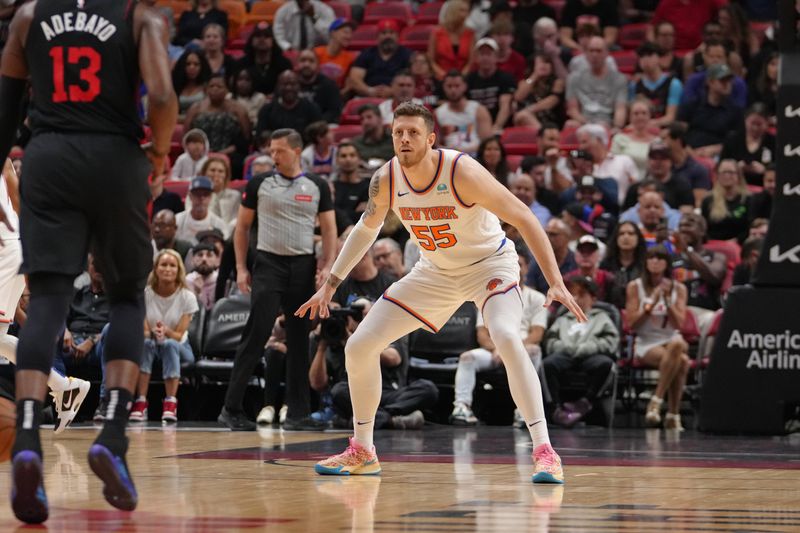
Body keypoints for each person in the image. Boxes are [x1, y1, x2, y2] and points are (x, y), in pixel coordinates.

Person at [297, 102, 587, 483]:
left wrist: (555, 280)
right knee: (359, 346)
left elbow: (524, 216)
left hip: (489, 266)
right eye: (398, 132)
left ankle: (545, 451)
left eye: (413, 132)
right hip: (434, 273)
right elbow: (366, 229)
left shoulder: (461, 170)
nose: (404, 139)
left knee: (505, 337)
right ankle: (363, 450)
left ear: (431, 138)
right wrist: (329, 284)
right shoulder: (385, 179)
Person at [0, 0, 178, 521]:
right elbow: (163, 95)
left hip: (48, 156)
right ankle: (114, 436)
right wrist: (161, 154)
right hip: (114, 157)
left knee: (50, 296)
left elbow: (6, 107)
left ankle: (28, 437)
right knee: (125, 298)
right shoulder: (138, 16)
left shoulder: (30, 16)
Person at [218, 128, 337, 431]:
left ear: (297, 152)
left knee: (299, 339)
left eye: (279, 151)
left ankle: (298, 413)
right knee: (256, 334)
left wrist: (327, 265)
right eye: (271, 151)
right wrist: (242, 268)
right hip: (268, 263)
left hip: (302, 265)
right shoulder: (259, 183)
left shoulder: (317, 185)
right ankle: (231, 409)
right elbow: (242, 229)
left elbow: (329, 230)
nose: (273, 156)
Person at [0, 160, 92, 434]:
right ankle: (64, 386)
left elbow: (14, 190)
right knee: (0, 337)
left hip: (5, 248)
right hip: (11, 246)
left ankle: (64, 386)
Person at [451, 250, 547, 426]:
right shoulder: (488, 293)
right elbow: (481, 334)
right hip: (494, 350)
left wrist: (511, 350)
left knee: (535, 351)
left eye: (520, 264)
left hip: (522, 348)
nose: (516, 268)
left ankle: (525, 412)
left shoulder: (537, 298)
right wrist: (499, 349)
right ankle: (461, 407)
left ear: (527, 268)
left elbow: (537, 334)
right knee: (467, 358)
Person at [625, 245, 690, 431]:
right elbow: (632, 324)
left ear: (667, 264)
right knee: (683, 361)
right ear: (645, 262)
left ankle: (656, 401)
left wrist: (668, 301)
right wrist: (651, 303)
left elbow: (679, 324)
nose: (655, 262)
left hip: (671, 337)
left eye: (660, 258)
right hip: (647, 341)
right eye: (651, 258)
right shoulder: (635, 287)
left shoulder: (679, 288)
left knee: (677, 343)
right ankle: (672, 414)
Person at [130, 250, 197, 423]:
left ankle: (170, 403)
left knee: (170, 345)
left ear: (179, 270)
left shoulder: (187, 297)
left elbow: (179, 335)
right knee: (145, 344)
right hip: (152, 344)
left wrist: (165, 331)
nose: (168, 269)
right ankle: (141, 401)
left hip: (180, 347)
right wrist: (153, 333)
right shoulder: (145, 294)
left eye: (172, 265)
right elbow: (144, 332)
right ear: (156, 269)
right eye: (164, 265)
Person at [543, 275, 618, 428]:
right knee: (547, 364)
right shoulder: (563, 318)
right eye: (574, 294)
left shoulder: (602, 317)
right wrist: (562, 347)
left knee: (606, 364)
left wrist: (591, 347)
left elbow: (611, 340)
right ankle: (555, 407)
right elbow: (550, 340)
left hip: (591, 355)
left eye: (582, 294)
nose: (577, 298)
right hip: (566, 354)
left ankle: (586, 402)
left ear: (593, 298)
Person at [671, 213, 726, 332]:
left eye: (689, 224)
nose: (683, 229)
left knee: (715, 324)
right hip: (675, 312)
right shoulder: (670, 258)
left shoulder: (716, 257)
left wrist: (686, 250)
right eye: (680, 226)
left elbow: (714, 277)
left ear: (702, 231)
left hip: (705, 313)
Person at [184, 74, 251, 171]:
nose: (214, 89)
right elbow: (187, 136)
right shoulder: (196, 109)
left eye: (219, 86)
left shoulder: (238, 109)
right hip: (198, 154)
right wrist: (201, 151)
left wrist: (224, 152)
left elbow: (246, 137)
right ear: (206, 89)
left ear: (227, 90)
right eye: (211, 86)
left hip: (231, 155)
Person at [677, 64, 744, 159]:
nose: (727, 84)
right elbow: (678, 134)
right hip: (689, 153)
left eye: (729, 80)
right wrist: (689, 151)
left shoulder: (735, 111)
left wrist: (716, 149)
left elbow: (737, 141)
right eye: (722, 80)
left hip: (718, 156)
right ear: (710, 82)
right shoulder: (692, 105)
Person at [565, 36, 627, 130]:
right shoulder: (574, 78)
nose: (594, 54)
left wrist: (616, 127)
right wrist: (589, 124)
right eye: (591, 51)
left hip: (607, 123)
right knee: (569, 125)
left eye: (599, 51)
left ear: (607, 53)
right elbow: (572, 110)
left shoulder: (619, 79)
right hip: (583, 122)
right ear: (585, 54)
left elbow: (620, 108)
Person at [623, 140, 694, 213]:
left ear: (671, 161)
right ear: (648, 161)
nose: (658, 162)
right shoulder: (635, 188)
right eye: (654, 158)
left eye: (663, 158)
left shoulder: (682, 186)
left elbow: (686, 215)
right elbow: (626, 216)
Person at [347, 20, 412, 98]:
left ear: (398, 36)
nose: (388, 36)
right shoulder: (367, 53)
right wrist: (369, 90)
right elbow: (354, 78)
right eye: (384, 33)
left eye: (391, 33)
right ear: (377, 37)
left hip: (398, 98)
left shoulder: (407, 54)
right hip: (367, 96)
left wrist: (393, 91)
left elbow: (414, 79)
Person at [255, 70, 323, 140]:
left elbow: (319, 137)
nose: (288, 88)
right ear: (278, 86)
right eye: (284, 84)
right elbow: (261, 138)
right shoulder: (267, 110)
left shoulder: (312, 108)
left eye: (293, 84)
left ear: (299, 86)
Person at [435, 71, 492, 153]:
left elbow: (487, 143)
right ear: (444, 87)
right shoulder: (438, 113)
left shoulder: (479, 110)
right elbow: (436, 144)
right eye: (449, 86)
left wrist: (461, 152)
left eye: (457, 86)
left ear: (465, 86)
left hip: (475, 157)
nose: (453, 90)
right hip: (449, 158)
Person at [466, 38, 515, 133]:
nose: (485, 58)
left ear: (496, 57)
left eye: (488, 54)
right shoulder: (468, 80)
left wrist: (496, 127)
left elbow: (505, 107)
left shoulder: (505, 78)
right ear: (476, 58)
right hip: (474, 128)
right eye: (482, 54)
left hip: (499, 128)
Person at [720, 103, 775, 187]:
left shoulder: (774, 142)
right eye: (752, 123)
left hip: (763, 186)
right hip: (735, 185)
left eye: (759, 124)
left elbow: (779, 168)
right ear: (745, 120)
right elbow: (721, 164)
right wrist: (735, 168)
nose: (755, 128)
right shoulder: (732, 139)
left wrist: (765, 171)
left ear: (767, 123)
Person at [630, 43, 682, 128]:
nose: (645, 59)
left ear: (659, 58)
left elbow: (670, 117)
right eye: (642, 56)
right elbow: (632, 116)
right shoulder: (634, 85)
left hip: (664, 129)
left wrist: (647, 124)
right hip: (641, 130)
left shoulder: (673, 84)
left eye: (650, 55)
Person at [234, 22, 293, 96]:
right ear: (251, 40)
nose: (262, 39)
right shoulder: (241, 64)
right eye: (258, 36)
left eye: (266, 36)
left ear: (273, 41)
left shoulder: (284, 64)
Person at [663, 122, 712, 208]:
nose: (661, 143)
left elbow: (699, 203)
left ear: (677, 141)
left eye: (664, 138)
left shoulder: (698, 170)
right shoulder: (660, 167)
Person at [700, 159, 750, 242]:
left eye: (731, 172)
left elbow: (750, 228)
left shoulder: (749, 199)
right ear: (717, 175)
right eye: (723, 172)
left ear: (738, 175)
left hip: (740, 245)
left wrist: (735, 241)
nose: (727, 175)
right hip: (714, 245)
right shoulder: (708, 200)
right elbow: (704, 229)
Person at [185, 156, 242, 226]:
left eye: (220, 171)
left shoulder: (235, 196)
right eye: (212, 170)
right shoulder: (194, 194)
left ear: (226, 175)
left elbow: (236, 220)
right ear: (204, 173)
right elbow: (191, 217)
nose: (216, 174)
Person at [611, 99, 660, 180]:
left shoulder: (657, 142)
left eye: (644, 113)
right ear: (630, 117)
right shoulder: (619, 139)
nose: (640, 117)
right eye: (636, 114)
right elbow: (614, 165)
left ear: (650, 116)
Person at [600, 221, 646, 307]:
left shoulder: (645, 265)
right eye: (621, 234)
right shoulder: (606, 265)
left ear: (638, 238)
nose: (626, 237)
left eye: (631, 233)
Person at [513, 54, 565, 129]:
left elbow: (553, 100)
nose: (544, 65)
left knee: (523, 115)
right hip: (529, 120)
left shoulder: (558, 82)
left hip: (552, 121)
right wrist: (535, 75)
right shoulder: (525, 82)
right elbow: (518, 97)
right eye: (540, 63)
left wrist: (530, 109)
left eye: (547, 62)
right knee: (522, 116)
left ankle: (544, 134)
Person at [428, 0, 474, 80]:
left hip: (464, 78)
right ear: (453, 11)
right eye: (462, 11)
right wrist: (444, 75)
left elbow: (471, 62)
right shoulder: (437, 33)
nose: (466, 15)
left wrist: (460, 77)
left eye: (467, 11)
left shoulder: (471, 34)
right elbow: (431, 60)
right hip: (440, 78)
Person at [297, 49, 343, 124]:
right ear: (297, 63)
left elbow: (334, 111)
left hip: (321, 127)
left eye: (311, 61)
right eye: (303, 60)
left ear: (318, 64)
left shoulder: (329, 85)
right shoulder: (289, 84)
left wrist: (317, 124)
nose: (306, 64)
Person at [332, 142, 368, 224]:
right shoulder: (331, 188)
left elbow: (365, 217)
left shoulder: (369, 188)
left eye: (352, 155)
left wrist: (337, 212)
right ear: (337, 160)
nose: (348, 159)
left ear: (359, 159)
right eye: (343, 156)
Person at [315, 18, 357, 88]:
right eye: (345, 32)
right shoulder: (316, 53)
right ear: (333, 33)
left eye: (350, 33)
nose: (349, 36)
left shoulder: (350, 58)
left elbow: (348, 85)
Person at [172, 49, 212, 117]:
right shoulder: (175, 86)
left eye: (196, 64)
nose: (192, 67)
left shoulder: (208, 86)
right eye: (188, 64)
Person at [185, 243, 219, 311]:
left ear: (217, 260)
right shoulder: (186, 282)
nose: (204, 259)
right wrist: (198, 292)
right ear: (192, 260)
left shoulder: (222, 282)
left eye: (209, 255)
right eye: (200, 255)